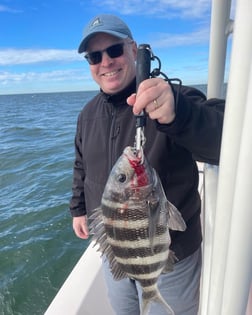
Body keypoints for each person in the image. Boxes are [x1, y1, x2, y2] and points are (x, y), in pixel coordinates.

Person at [70, 14, 225, 315]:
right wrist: (77, 208)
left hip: (169, 254)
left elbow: (229, 139)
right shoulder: (87, 115)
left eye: (114, 50)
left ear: (133, 49)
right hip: (114, 248)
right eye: (94, 56)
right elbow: (81, 165)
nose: (106, 62)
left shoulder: (172, 98)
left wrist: (180, 114)